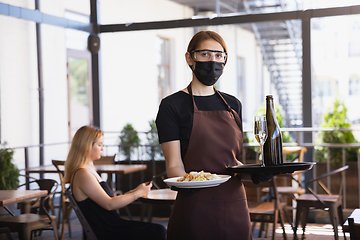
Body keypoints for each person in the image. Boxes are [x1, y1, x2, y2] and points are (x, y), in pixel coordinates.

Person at [156, 30, 258, 240]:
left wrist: (255, 173)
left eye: (219, 55)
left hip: (235, 206)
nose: (213, 61)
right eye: (205, 54)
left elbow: (232, 161)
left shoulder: (233, 104)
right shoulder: (172, 106)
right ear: (189, 58)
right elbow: (174, 164)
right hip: (194, 208)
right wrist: (185, 185)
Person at [64, 125, 166, 240]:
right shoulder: (82, 174)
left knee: (158, 229)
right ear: (86, 146)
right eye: (99, 145)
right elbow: (109, 204)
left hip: (113, 226)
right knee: (158, 230)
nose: (102, 148)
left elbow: (108, 200)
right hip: (109, 231)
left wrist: (137, 190)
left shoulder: (88, 170)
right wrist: (136, 194)